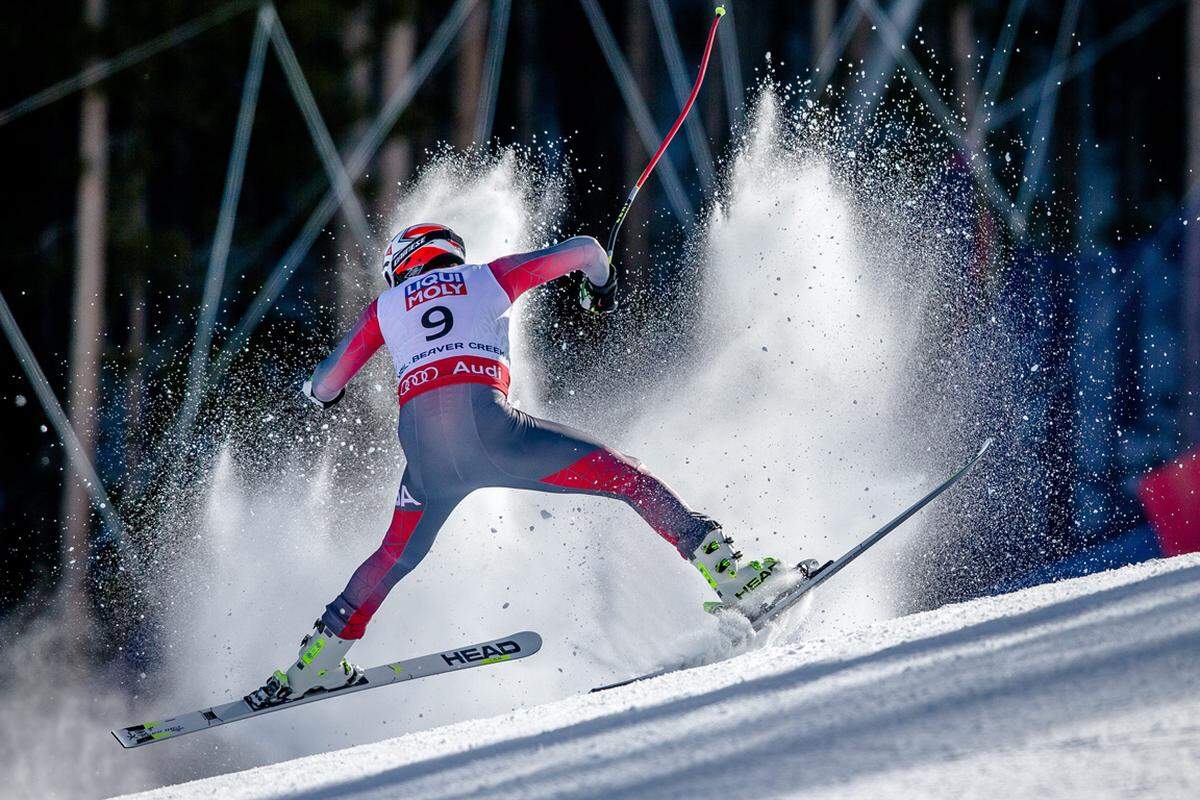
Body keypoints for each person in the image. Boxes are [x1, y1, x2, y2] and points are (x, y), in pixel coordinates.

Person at [247, 223, 787, 708]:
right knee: (626, 476)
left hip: (426, 460)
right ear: (449, 255)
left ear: (400, 266)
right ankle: (732, 575)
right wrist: (600, 289)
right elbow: (586, 250)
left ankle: (317, 660)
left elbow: (324, 386)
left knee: (393, 555)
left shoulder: (385, 309)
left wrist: (316, 393)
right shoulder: (484, 278)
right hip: (496, 433)